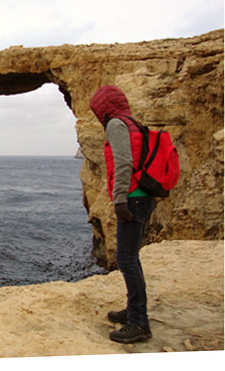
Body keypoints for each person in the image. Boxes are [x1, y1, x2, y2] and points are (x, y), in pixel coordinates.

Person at [89, 85, 155, 344]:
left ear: (105, 107)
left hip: (132, 199)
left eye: (98, 109)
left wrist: (119, 200)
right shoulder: (132, 122)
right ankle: (133, 311)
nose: (98, 115)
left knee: (126, 259)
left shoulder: (116, 124)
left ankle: (139, 323)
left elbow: (123, 162)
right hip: (142, 196)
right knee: (132, 257)